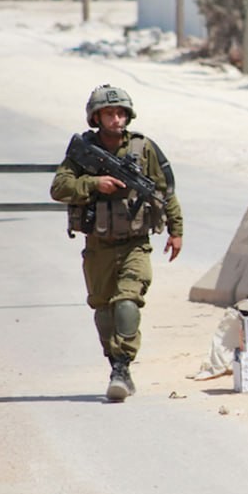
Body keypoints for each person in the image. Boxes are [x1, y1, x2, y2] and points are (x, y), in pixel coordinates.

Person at [51, 84, 183, 402]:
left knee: (127, 301)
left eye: (121, 113)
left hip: (135, 243)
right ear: (96, 117)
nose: (116, 119)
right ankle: (116, 364)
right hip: (98, 245)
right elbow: (59, 187)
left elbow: (164, 191)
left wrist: (176, 230)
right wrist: (94, 183)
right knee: (103, 310)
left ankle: (122, 366)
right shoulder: (84, 150)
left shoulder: (143, 148)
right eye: (109, 113)